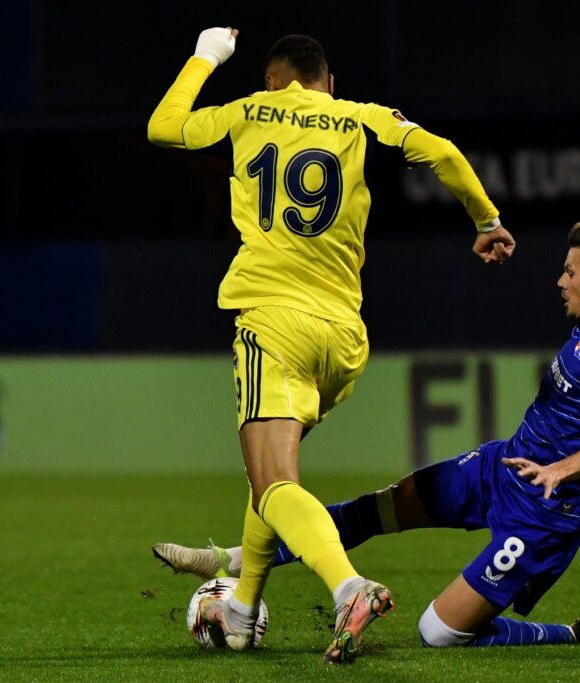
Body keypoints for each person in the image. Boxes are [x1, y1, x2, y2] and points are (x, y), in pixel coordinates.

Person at [154, 221, 580, 650]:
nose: (560, 279)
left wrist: (558, 471)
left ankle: (565, 635)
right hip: (504, 466)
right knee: (378, 510)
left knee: (438, 632)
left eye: (570, 270)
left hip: (549, 510)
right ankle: (234, 557)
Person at [147, 27, 515, 663]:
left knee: (274, 483)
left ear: (274, 82)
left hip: (274, 322)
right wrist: (486, 221)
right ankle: (240, 607)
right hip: (343, 339)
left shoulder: (245, 113)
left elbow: (163, 125)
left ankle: (349, 589)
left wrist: (208, 52)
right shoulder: (359, 118)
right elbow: (444, 154)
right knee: (272, 479)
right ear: (327, 83)